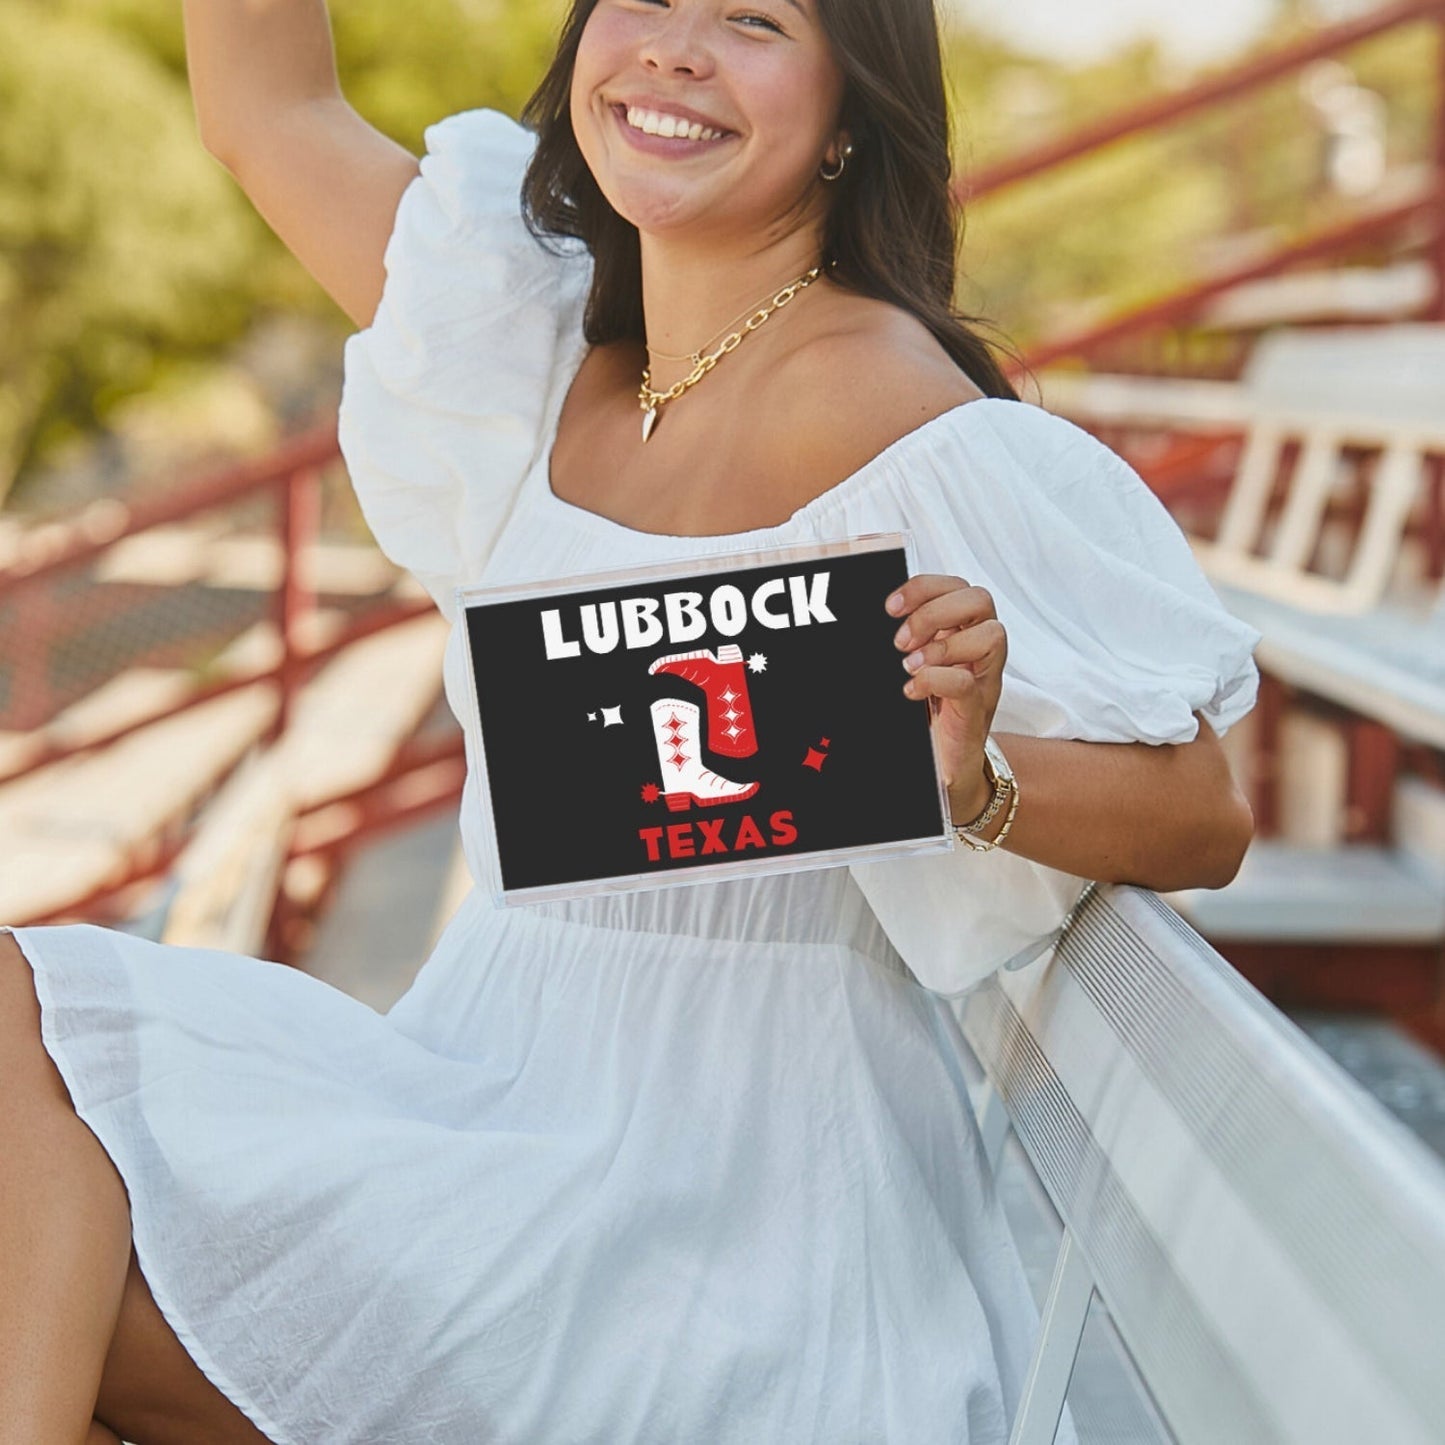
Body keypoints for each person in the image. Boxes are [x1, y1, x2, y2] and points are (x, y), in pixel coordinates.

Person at [0, 0, 1262, 1441]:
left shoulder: (887, 406)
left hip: (720, 1205)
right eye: (644, 2)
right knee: (27, 1095)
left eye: (750, 19)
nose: (673, 48)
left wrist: (965, 779)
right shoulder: (540, 348)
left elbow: (1201, 810)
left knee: (50, 1274)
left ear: (852, 106)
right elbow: (264, 109)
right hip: (477, 1086)